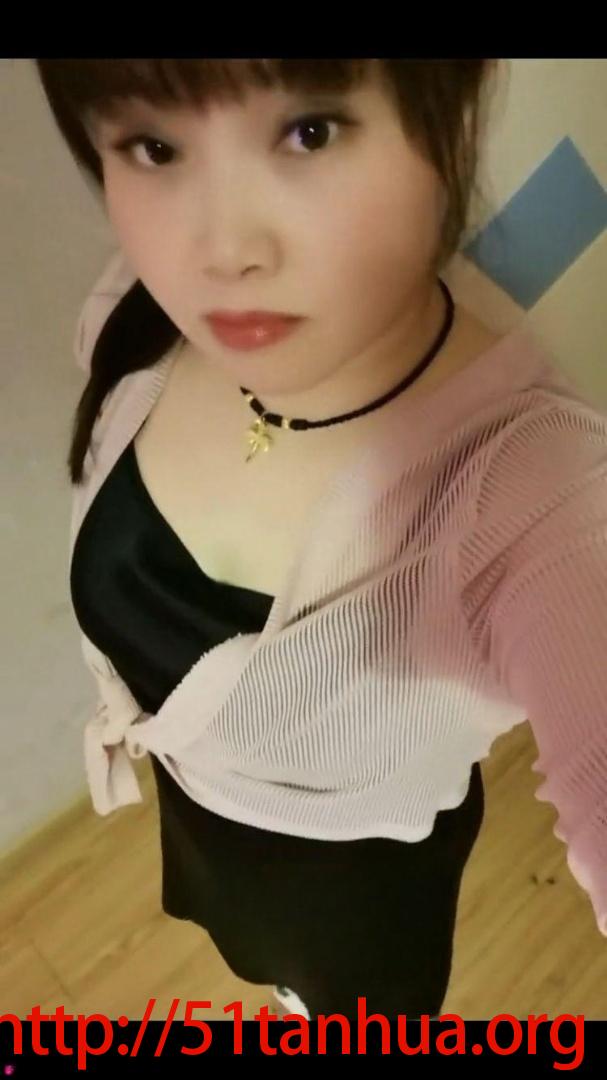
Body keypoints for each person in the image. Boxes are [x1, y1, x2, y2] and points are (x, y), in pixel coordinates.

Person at [34, 58, 607, 1022]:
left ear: (452, 108)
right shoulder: (134, 312)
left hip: (358, 895)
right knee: (269, 966)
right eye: (155, 146)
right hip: (206, 828)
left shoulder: (532, 489)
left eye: (309, 131)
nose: (222, 252)